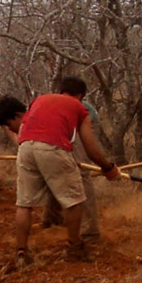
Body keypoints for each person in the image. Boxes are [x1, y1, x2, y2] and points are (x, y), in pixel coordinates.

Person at [13, 76, 120, 263]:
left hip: (25, 148)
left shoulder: (39, 100)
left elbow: (24, 128)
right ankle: (74, 247)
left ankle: (21, 251)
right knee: (74, 200)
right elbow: (90, 146)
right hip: (53, 148)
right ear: (79, 95)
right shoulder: (80, 107)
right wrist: (108, 167)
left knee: (24, 204)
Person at [41, 78, 103, 240]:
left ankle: (91, 230)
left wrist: (106, 166)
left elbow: (88, 146)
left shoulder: (82, 110)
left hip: (79, 128)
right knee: (55, 172)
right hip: (58, 137)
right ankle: (52, 217)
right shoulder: (53, 103)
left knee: (81, 173)